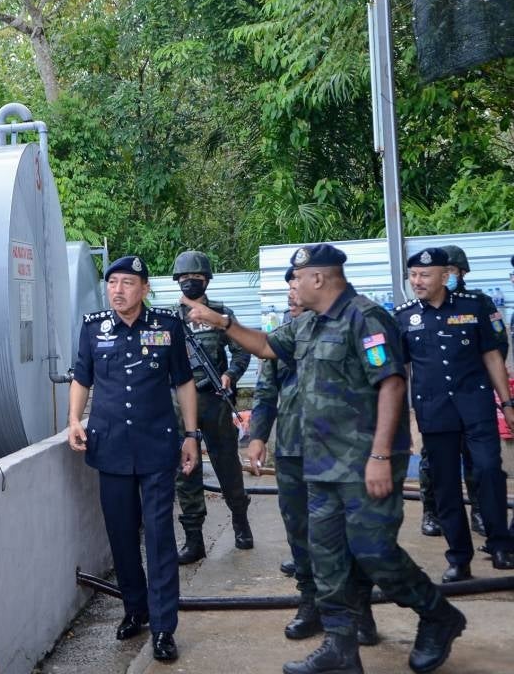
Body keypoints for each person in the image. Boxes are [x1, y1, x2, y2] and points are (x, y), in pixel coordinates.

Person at [184, 244, 465, 674]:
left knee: (373, 552)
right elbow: (265, 347)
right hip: (321, 464)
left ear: (318, 278)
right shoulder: (307, 323)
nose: (292, 286)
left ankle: (438, 615)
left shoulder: (366, 318)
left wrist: (380, 454)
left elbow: (391, 384)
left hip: (364, 462)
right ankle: (340, 646)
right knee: (326, 555)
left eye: (298, 278)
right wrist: (221, 322)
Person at [67, 255, 200, 663]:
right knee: (122, 536)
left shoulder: (167, 326)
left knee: (159, 538)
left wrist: (191, 435)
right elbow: (82, 377)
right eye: (112, 283)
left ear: (144, 289)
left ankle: (163, 628)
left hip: (157, 447)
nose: (118, 290)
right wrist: (73, 420)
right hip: (110, 448)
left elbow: (184, 382)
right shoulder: (93, 328)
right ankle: (135, 610)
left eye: (127, 283)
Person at [247, 268, 377, 646]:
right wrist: (258, 437)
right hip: (292, 449)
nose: (292, 293)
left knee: (352, 532)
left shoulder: (350, 327)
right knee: (300, 531)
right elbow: (265, 391)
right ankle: (311, 604)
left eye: (297, 286)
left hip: (340, 451)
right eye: (289, 287)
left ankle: (360, 609)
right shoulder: (280, 337)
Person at [395, 247, 514, 582]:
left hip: (476, 406)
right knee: (445, 485)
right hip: (434, 413)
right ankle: (459, 557)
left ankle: (501, 545)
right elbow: (400, 371)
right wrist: (403, 421)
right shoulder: (404, 317)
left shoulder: (472, 307)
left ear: (445, 276)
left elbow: (492, 357)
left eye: (424, 275)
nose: (417, 281)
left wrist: (507, 404)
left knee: (489, 471)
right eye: (413, 275)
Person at [416, 244, 508, 537]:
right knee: (433, 463)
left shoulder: (479, 304)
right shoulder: (417, 310)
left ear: (460, 273)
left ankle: (481, 511)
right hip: (438, 402)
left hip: (472, 394)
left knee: (480, 462)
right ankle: (431, 512)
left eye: (452, 269)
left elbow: (497, 345)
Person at [170, 250, 253, 564]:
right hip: (180, 404)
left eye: (197, 277)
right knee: (186, 471)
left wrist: (231, 374)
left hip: (215, 400)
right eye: (185, 277)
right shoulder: (169, 319)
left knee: (227, 465)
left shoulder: (220, 314)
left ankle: (241, 522)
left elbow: (242, 351)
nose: (190, 282)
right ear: (177, 280)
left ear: (207, 280)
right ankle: (194, 539)